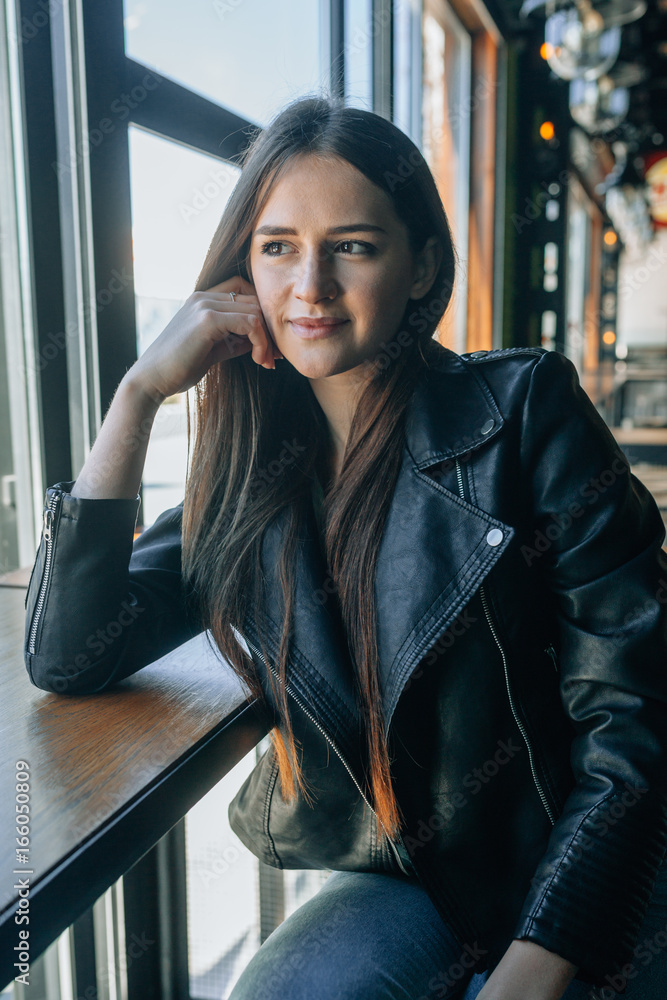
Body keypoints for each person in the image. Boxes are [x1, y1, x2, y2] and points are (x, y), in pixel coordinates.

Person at [24, 94, 667, 1000]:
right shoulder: (248, 476)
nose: (309, 287)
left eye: (353, 247)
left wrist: (541, 956)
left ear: (419, 267)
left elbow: (636, 715)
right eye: (277, 246)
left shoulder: (523, 412)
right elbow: (69, 655)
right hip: (404, 886)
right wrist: (136, 394)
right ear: (242, 271)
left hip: (587, 869)